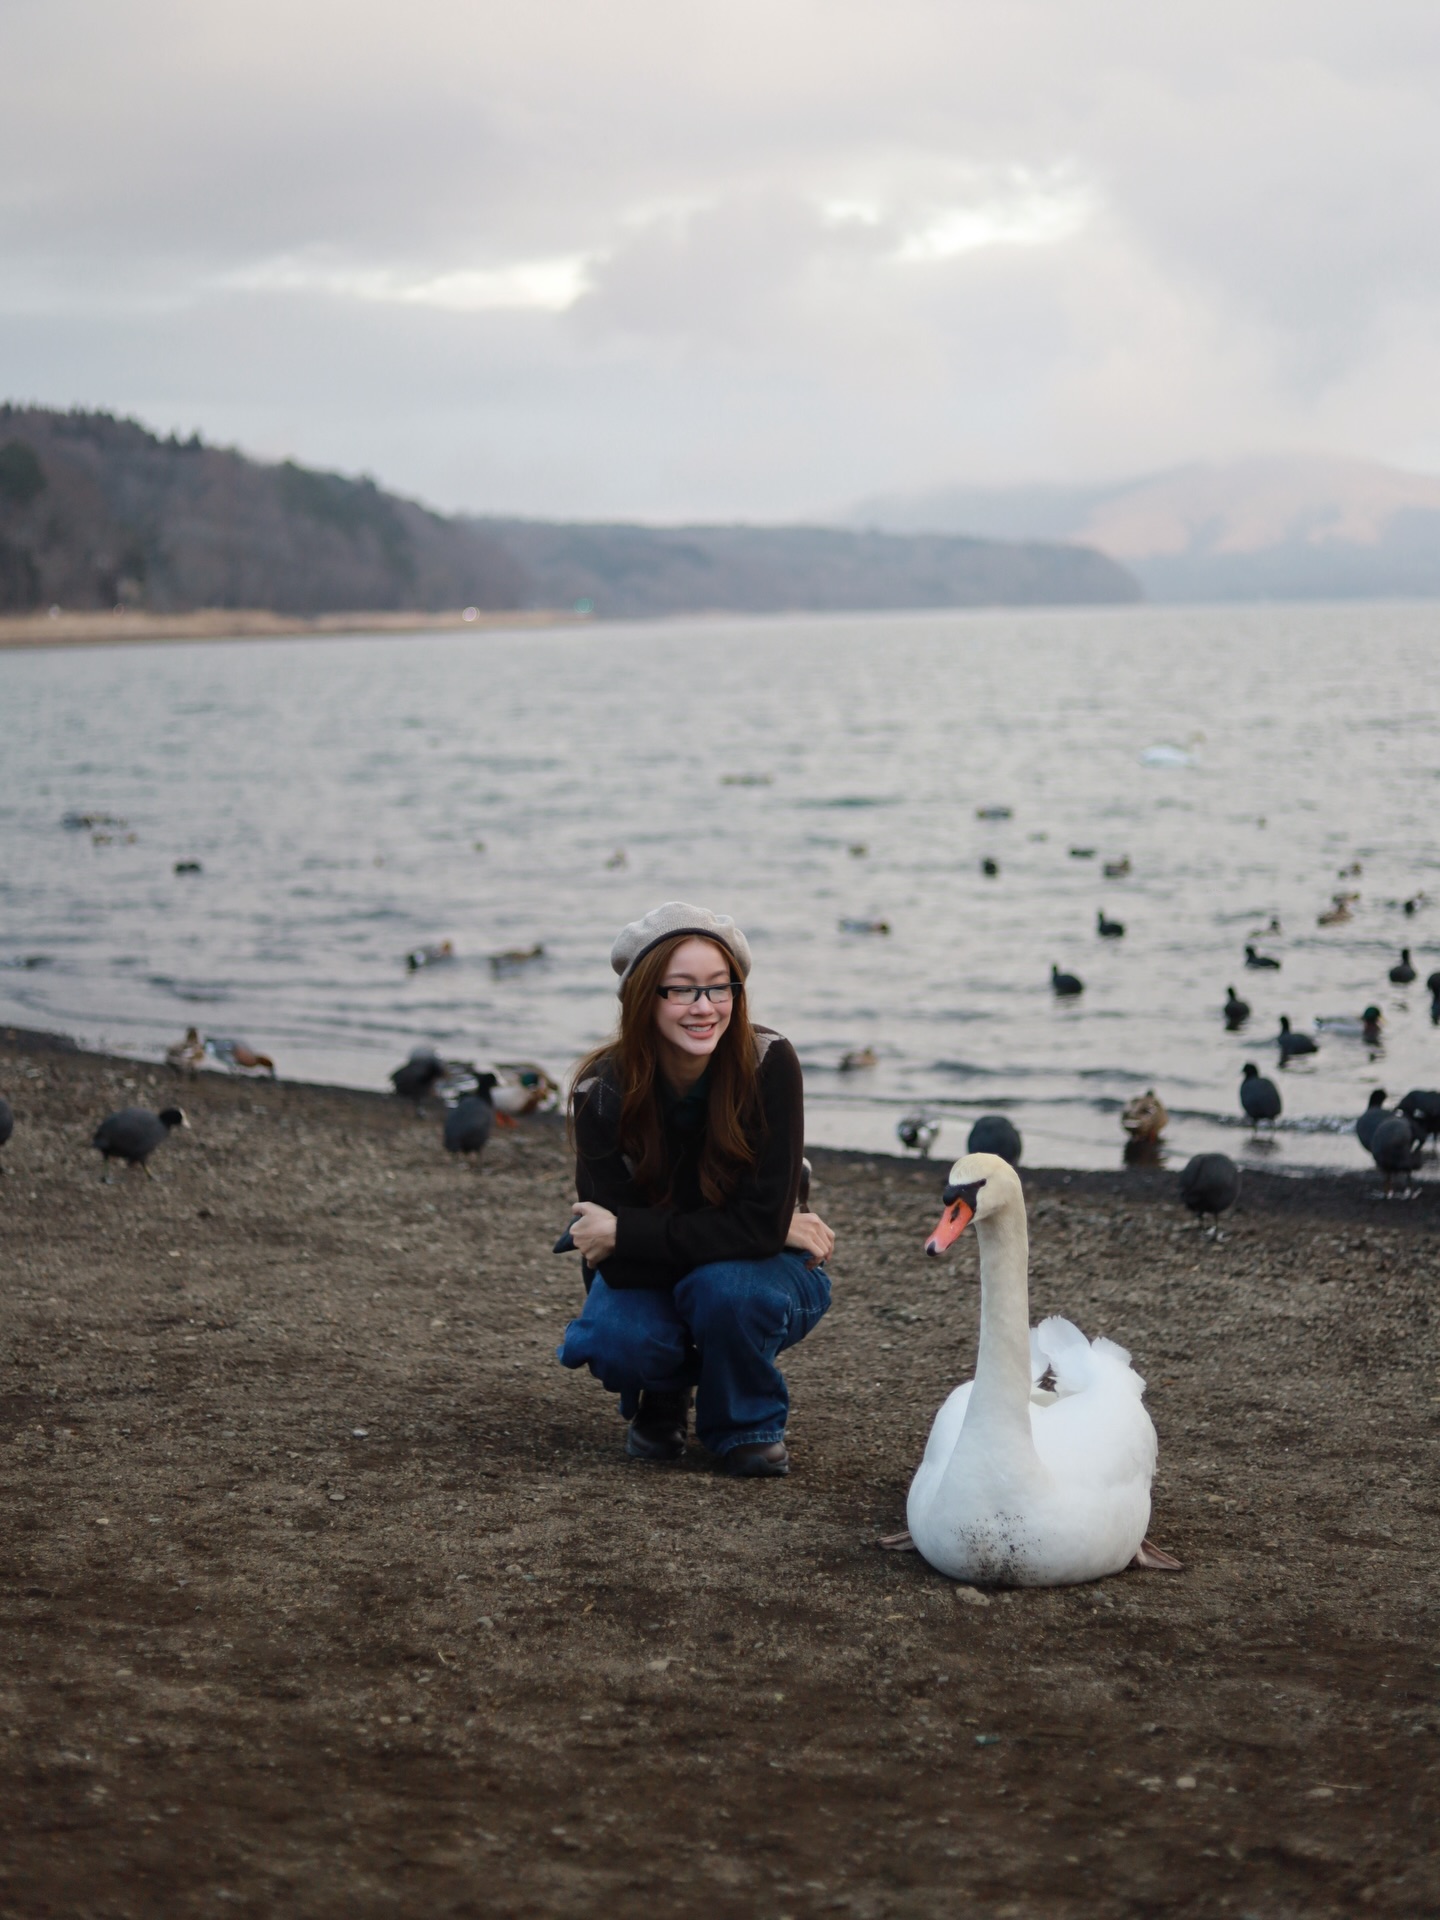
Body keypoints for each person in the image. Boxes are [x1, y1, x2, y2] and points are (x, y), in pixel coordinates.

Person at [556, 902, 833, 1477]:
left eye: (719, 987)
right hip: (661, 1272)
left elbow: (631, 1240)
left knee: (728, 1290)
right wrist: (760, 1228)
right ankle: (663, 1393)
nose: (705, 1007)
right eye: (681, 989)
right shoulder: (600, 1092)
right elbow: (619, 1266)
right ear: (643, 997)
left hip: (761, 1278)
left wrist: (629, 1230)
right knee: (616, 1336)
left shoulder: (769, 1063)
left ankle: (745, 1423)